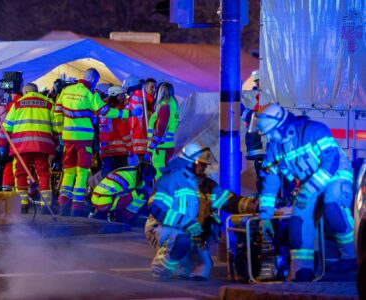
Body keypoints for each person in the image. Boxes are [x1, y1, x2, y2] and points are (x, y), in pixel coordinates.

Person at [254, 103, 356, 281]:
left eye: (271, 132)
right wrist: (264, 217)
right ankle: (303, 271)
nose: (269, 137)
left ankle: (351, 257)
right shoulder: (273, 148)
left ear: (283, 125)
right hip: (310, 182)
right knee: (299, 220)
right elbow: (270, 185)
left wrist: (309, 189)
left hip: (335, 174)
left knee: (333, 206)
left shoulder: (314, 130)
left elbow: (331, 161)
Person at [145, 143, 258, 281]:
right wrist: (185, 222)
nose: (204, 168)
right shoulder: (170, 181)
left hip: (192, 232)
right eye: (201, 164)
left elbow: (228, 200)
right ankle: (161, 270)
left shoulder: (207, 184)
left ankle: (182, 265)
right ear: (189, 162)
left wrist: (251, 205)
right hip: (164, 228)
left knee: (203, 270)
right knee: (181, 242)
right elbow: (157, 207)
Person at [53, 68, 142, 217]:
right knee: (81, 172)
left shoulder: (66, 91)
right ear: (93, 80)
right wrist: (129, 113)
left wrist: (59, 133)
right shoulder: (91, 94)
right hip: (84, 140)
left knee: (68, 171)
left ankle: (63, 203)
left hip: (68, 139)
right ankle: (77, 207)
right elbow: (105, 111)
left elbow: (57, 113)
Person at [3, 83, 59, 214]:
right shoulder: (49, 103)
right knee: (44, 173)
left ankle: (23, 204)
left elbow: (7, 127)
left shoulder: (17, 104)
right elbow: (56, 127)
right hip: (42, 145)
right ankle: (46, 206)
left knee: (20, 174)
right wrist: (55, 141)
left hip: (21, 146)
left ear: (25, 92)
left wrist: (2, 144)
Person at [91, 162, 155, 223]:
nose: (150, 181)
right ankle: (127, 216)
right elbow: (127, 195)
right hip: (105, 202)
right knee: (142, 194)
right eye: (150, 179)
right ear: (145, 175)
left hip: (95, 199)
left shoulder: (131, 171)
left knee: (132, 194)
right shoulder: (132, 178)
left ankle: (103, 212)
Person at [146, 82, 179, 180]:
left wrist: (150, 149)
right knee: (164, 175)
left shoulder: (165, 107)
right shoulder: (173, 105)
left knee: (159, 176)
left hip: (160, 147)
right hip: (166, 146)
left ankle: (160, 194)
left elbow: (160, 131)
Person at [98, 85, 132, 177]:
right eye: (121, 95)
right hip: (119, 152)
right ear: (115, 96)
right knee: (120, 178)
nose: (124, 97)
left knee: (106, 178)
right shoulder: (120, 110)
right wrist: (130, 148)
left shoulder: (103, 110)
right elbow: (123, 130)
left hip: (104, 151)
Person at [241, 69, 265, 192]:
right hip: (258, 146)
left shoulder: (267, 97)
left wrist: (244, 112)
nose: (257, 84)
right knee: (260, 173)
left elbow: (260, 118)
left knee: (263, 174)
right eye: (256, 82)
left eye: (258, 81)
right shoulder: (260, 97)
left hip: (263, 146)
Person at [123, 76, 152, 163]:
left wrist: (141, 87)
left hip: (139, 142)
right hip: (138, 142)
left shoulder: (136, 96)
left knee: (141, 169)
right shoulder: (132, 100)